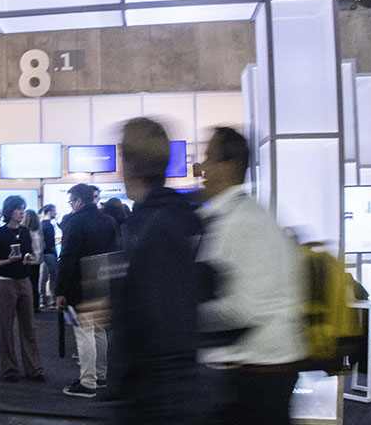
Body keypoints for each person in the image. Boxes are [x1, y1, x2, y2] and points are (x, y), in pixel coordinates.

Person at [194, 126, 304, 423]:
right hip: (258, 366)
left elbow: (244, 308)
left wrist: (187, 318)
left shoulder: (244, 222)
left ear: (229, 166)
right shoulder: (237, 215)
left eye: (209, 158)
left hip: (260, 371)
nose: (202, 168)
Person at [112, 118, 206, 421]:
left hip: (157, 398)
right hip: (166, 391)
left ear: (130, 164)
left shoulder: (152, 226)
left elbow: (163, 324)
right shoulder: (180, 216)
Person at [56, 183, 118, 399]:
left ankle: (87, 382)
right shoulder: (108, 220)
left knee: (84, 333)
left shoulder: (75, 222)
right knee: (99, 330)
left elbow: (67, 257)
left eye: (71, 201)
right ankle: (101, 375)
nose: (71, 205)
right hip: (101, 280)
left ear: (79, 201)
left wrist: (60, 289)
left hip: (79, 282)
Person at [0, 196, 44, 382]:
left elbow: (29, 253)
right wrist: (9, 260)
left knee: (29, 326)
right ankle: (10, 369)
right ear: (10, 211)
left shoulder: (25, 232)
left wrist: (28, 258)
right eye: (19, 209)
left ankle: (34, 369)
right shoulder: (0, 233)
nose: (22, 213)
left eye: (23, 209)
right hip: (5, 282)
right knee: (6, 327)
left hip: (24, 280)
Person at [37, 204, 60, 311]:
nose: (56, 213)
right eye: (54, 211)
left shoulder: (42, 224)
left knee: (43, 278)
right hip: (49, 254)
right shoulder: (48, 225)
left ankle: (42, 301)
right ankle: (51, 300)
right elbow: (48, 242)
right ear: (49, 211)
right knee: (52, 277)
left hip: (44, 254)